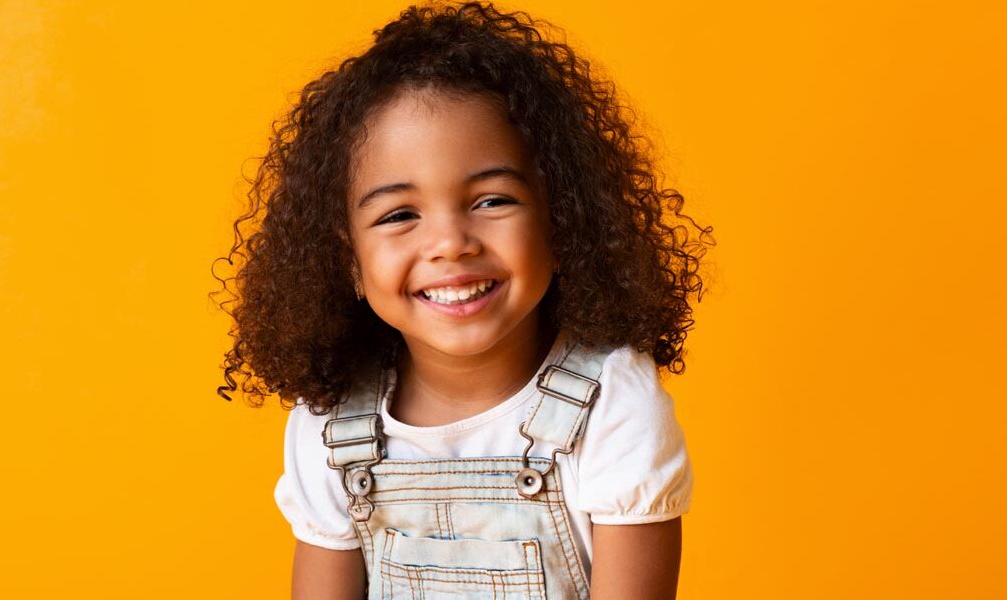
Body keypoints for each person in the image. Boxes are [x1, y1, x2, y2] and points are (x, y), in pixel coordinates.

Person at [213, 1, 715, 597]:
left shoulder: (613, 409)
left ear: (562, 218)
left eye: (492, 200)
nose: (450, 244)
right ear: (347, 261)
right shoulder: (329, 426)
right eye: (400, 214)